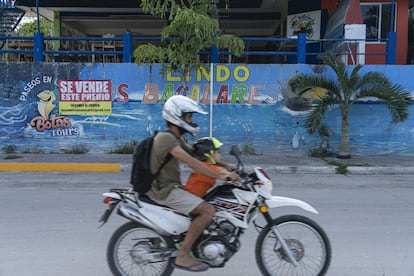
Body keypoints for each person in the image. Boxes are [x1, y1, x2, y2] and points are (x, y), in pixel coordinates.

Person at [146, 95, 240, 272]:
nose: (191, 120)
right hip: (164, 191)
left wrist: (225, 166)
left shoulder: (176, 138)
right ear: (176, 116)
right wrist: (221, 176)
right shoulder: (167, 139)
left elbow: (200, 156)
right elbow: (192, 162)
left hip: (171, 187)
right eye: (189, 116)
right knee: (207, 210)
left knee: (212, 203)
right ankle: (182, 255)